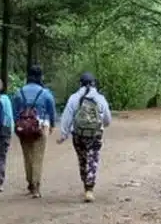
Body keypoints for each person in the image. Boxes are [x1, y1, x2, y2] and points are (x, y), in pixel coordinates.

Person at [58, 72, 112, 202]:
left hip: (78, 134)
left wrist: (64, 134)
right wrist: (101, 125)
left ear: (80, 83)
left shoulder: (74, 98)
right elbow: (107, 120)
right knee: (92, 159)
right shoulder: (100, 98)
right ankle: (90, 188)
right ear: (94, 83)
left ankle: (85, 184)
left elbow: (67, 117)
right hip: (95, 134)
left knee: (82, 159)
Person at [12, 64, 58, 198]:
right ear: (40, 77)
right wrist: (53, 125)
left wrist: (17, 124)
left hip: (23, 129)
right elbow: (51, 110)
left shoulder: (19, 92)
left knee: (27, 156)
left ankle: (30, 183)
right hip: (40, 127)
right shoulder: (45, 93)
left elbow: (15, 111)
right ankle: (36, 186)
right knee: (38, 157)